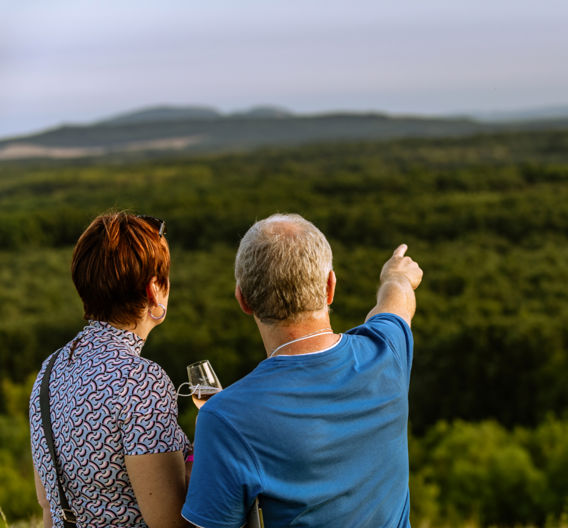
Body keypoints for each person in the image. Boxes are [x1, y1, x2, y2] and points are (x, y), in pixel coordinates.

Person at [182, 213, 423, 528]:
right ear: (330, 287)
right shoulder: (387, 351)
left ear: (243, 299)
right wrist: (396, 276)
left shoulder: (223, 418)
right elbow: (396, 304)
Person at [29, 212, 191, 528]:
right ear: (153, 290)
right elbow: (171, 522)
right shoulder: (141, 381)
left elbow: (49, 508)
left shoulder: (49, 371)